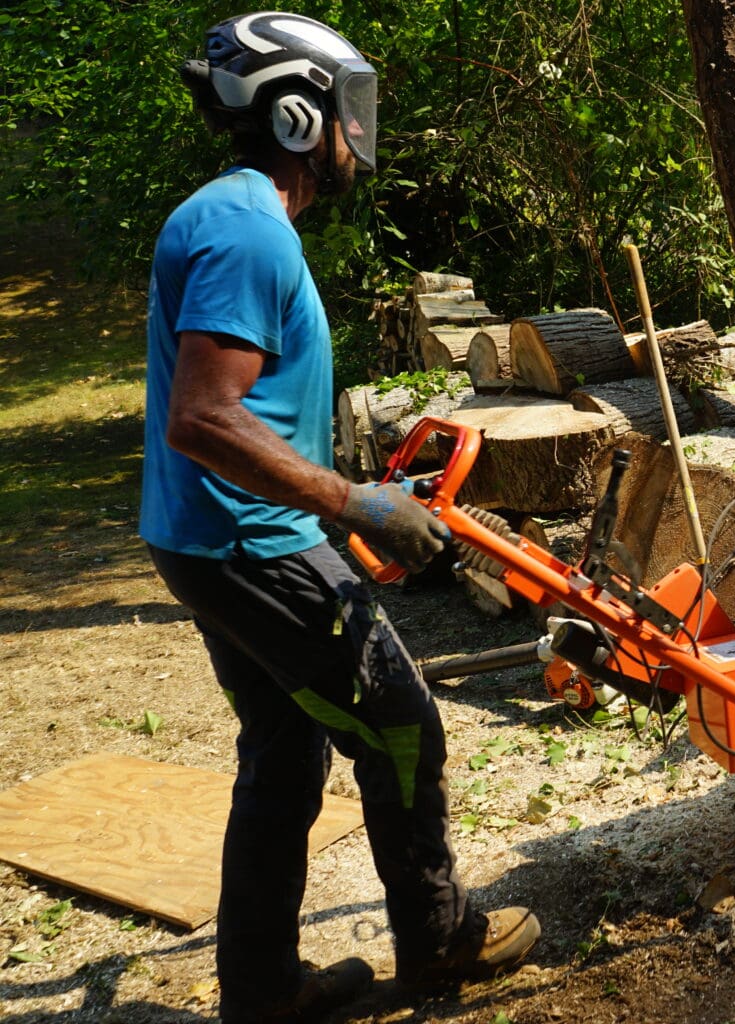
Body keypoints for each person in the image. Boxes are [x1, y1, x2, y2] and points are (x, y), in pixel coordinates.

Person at [142, 12, 539, 1022]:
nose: (356, 131)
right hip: (248, 542)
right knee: (402, 727)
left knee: (284, 750)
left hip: (220, 537)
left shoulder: (237, 216)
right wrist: (349, 500)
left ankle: (264, 992)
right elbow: (203, 415)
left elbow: (243, 406)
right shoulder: (243, 229)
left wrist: (341, 505)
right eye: (344, 109)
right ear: (292, 112)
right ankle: (441, 940)